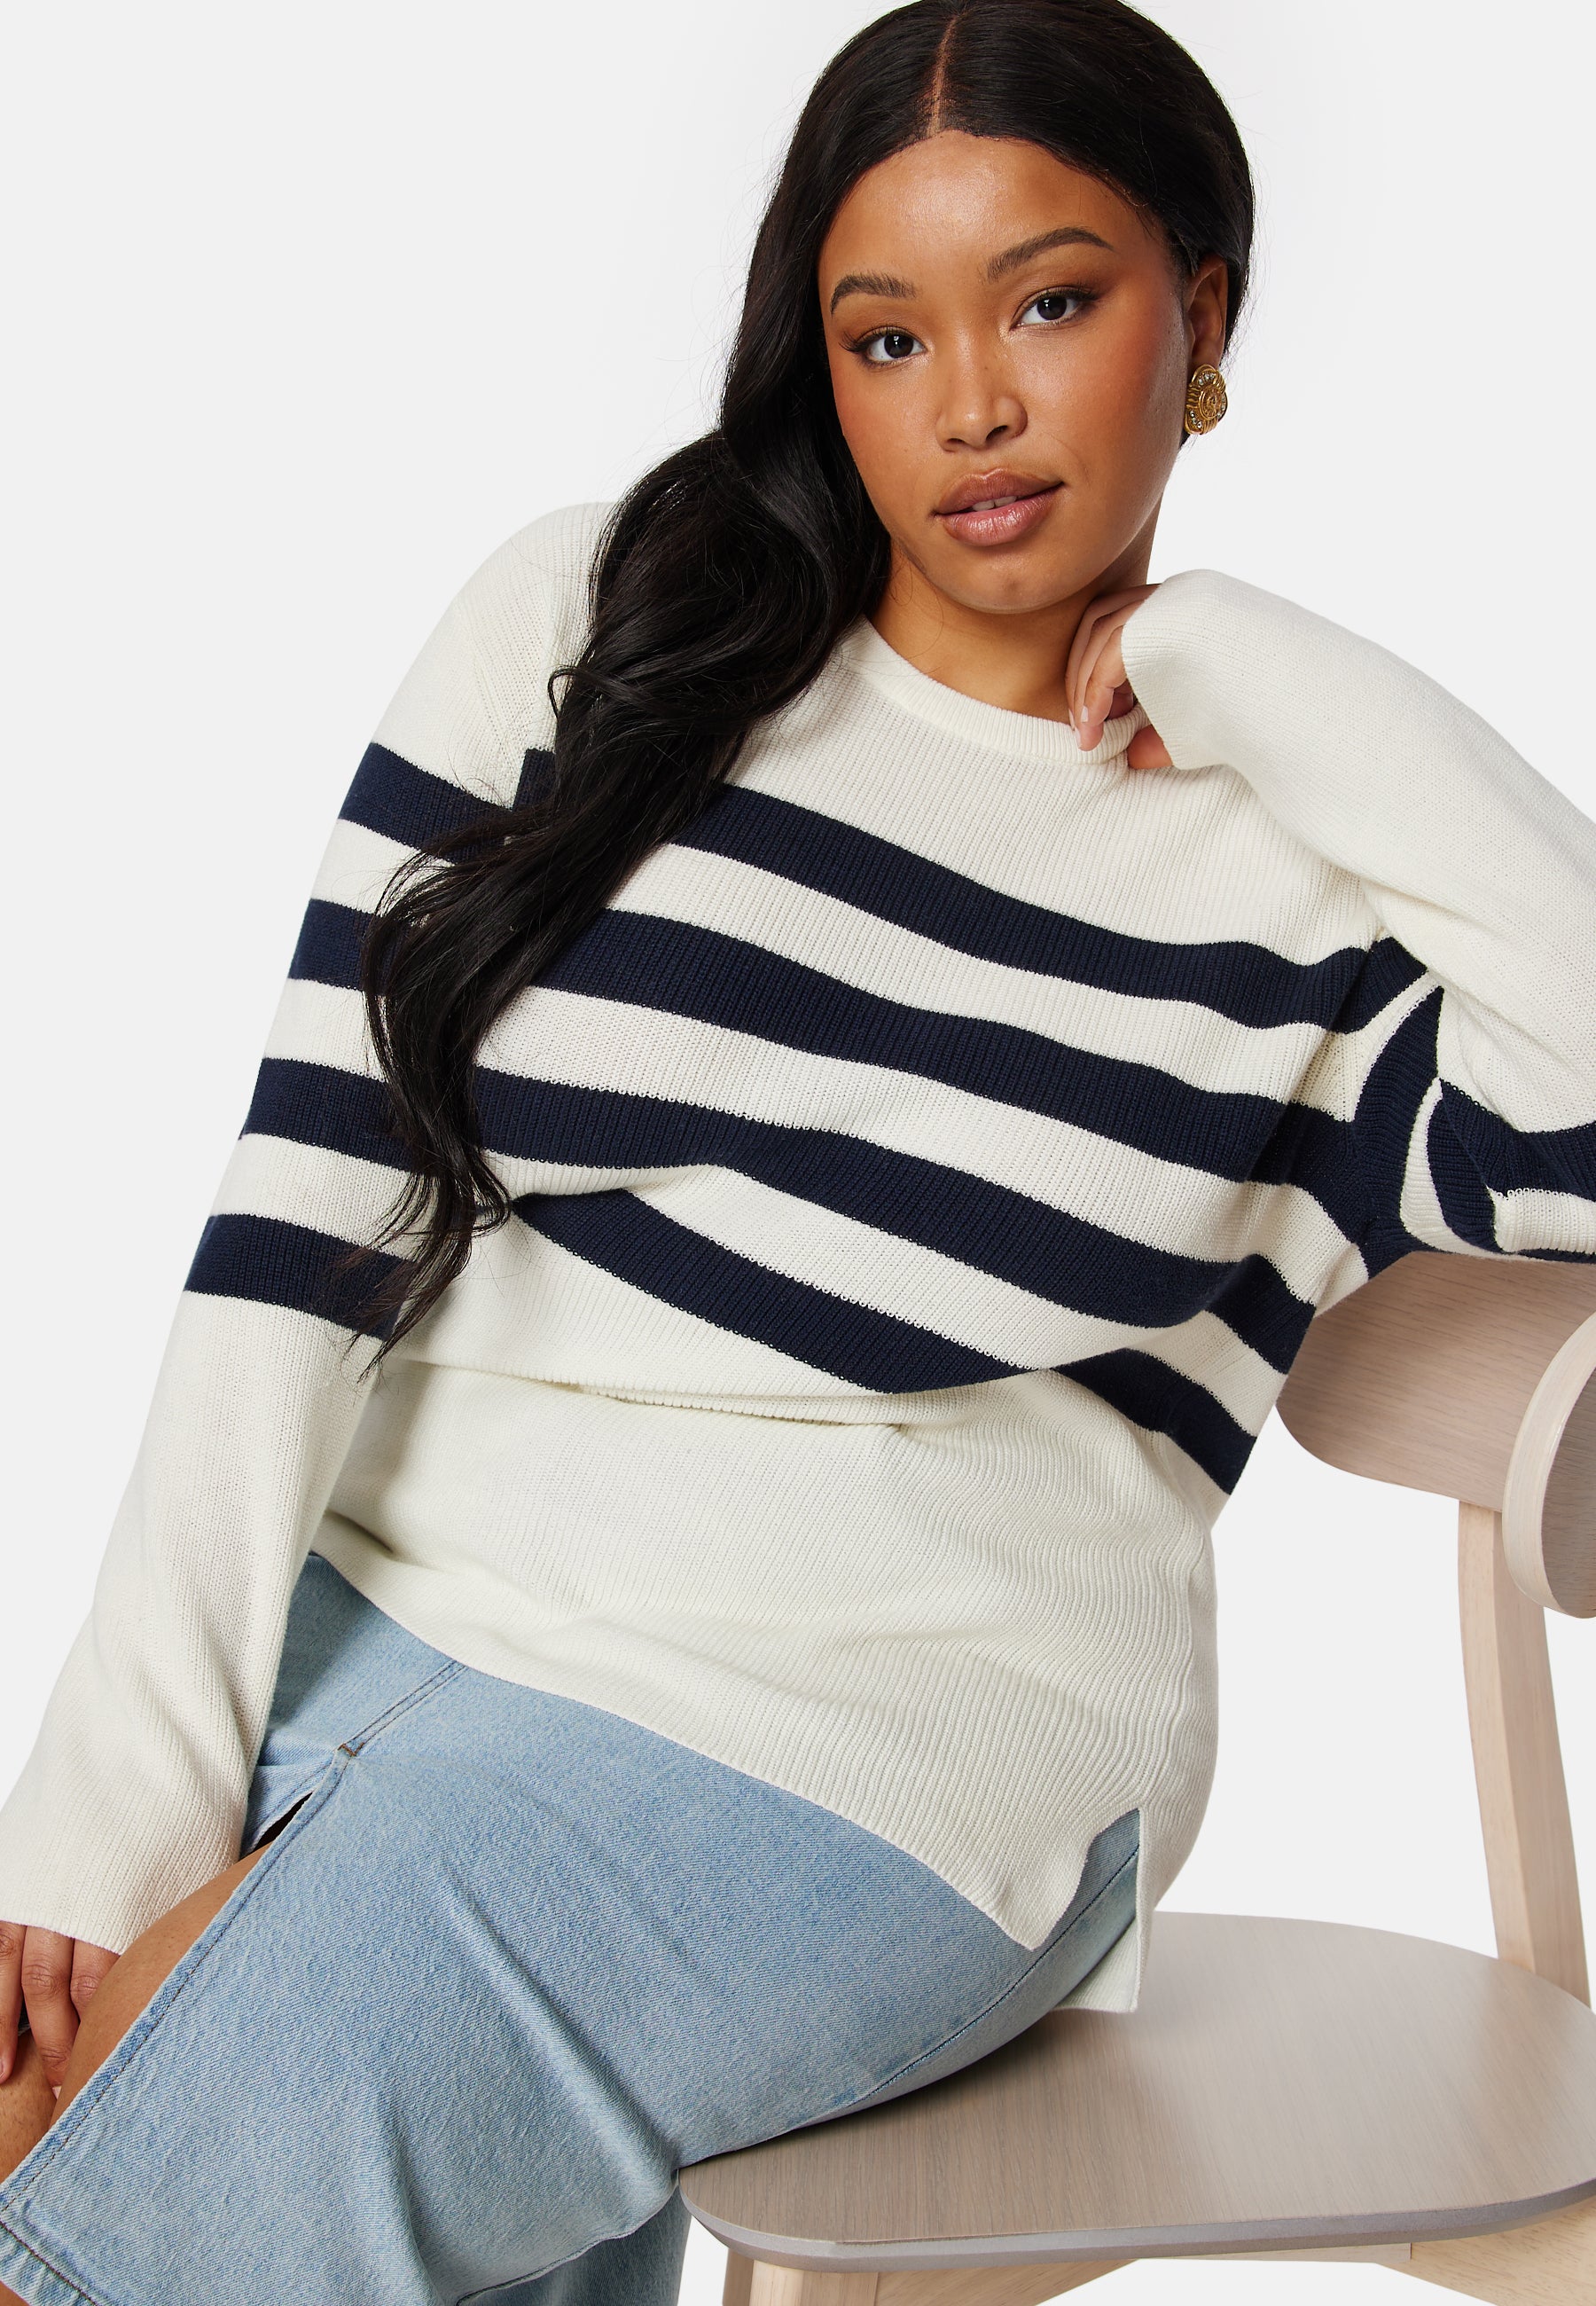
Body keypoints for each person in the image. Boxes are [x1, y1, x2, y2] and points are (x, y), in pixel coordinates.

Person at [3, 0, 1594, 2298]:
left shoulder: (1321, 883)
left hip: (881, 1724)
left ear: (1203, 312)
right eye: (887, 334)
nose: (970, 405)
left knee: (141, 2215)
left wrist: (1254, 661)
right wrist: (112, 1781)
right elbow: (305, 1219)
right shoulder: (601, 633)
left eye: (1052, 303)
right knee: (55, 2102)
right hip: (396, 1603)